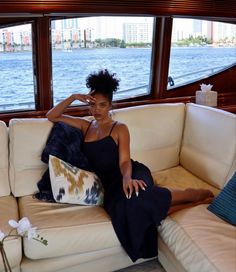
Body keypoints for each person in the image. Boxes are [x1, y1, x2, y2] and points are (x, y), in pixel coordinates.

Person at [46, 69, 214, 262]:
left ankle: (192, 193)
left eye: (102, 105)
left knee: (136, 199)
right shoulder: (86, 126)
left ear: (110, 105)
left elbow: (125, 161)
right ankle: (195, 203)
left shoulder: (119, 128)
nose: (97, 110)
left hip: (131, 173)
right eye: (93, 105)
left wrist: (128, 178)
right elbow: (52, 115)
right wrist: (73, 97)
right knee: (128, 210)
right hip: (110, 185)